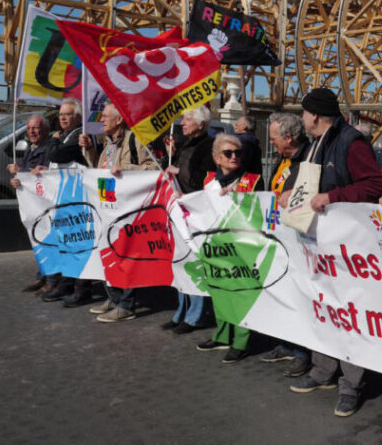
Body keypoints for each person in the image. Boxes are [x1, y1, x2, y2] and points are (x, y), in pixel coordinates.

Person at [287, 87, 382, 418]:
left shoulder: (350, 142)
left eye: (304, 113)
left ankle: (351, 385)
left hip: (348, 248)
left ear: (315, 115)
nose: (302, 119)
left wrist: (334, 196)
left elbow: (374, 185)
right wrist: (291, 192)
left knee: (349, 314)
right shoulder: (315, 143)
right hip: (318, 245)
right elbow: (308, 184)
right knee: (323, 308)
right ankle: (323, 371)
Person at [79, 103, 157, 322]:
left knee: (125, 254)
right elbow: (99, 169)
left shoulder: (135, 140)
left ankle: (126, 304)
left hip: (127, 209)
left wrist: (126, 169)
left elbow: (153, 167)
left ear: (119, 119)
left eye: (105, 116)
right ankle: (114, 297)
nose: (101, 120)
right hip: (107, 207)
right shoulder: (108, 143)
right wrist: (90, 150)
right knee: (108, 253)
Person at [194, 133, 263, 364]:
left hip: (242, 247)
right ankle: (222, 335)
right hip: (216, 246)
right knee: (219, 291)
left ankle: (241, 342)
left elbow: (260, 211)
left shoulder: (252, 180)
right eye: (228, 153)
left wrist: (240, 199)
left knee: (240, 294)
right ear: (217, 158)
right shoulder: (208, 181)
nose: (234, 157)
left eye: (238, 153)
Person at [259, 112, 312, 373]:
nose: (271, 143)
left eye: (274, 138)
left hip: (300, 239)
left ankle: (302, 352)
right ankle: (287, 343)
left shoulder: (308, 159)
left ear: (289, 138)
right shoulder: (285, 159)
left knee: (300, 297)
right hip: (280, 235)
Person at [162, 106, 216, 334]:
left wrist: (178, 171)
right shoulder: (186, 144)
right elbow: (173, 170)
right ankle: (182, 311)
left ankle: (196, 315)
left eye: (187, 119)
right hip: (180, 211)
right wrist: (170, 154)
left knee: (195, 263)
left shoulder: (208, 147)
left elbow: (202, 180)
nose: (182, 123)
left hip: (196, 212)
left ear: (201, 123)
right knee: (181, 262)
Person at [38, 99, 92, 307]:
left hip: (77, 199)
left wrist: (53, 140)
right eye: (61, 114)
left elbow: (56, 154)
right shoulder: (66, 135)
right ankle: (66, 283)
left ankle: (82, 289)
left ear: (78, 117)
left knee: (78, 244)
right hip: (65, 198)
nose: (62, 117)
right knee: (66, 243)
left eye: (67, 114)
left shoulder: (79, 135)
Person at [9, 114, 56, 293]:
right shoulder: (31, 148)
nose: (32, 132)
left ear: (46, 130)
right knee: (38, 239)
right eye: (29, 128)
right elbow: (26, 175)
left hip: (45, 203)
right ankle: (42, 274)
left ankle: (52, 278)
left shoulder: (49, 148)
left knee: (48, 239)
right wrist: (17, 178)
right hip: (34, 204)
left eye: (35, 128)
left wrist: (25, 172)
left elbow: (48, 174)